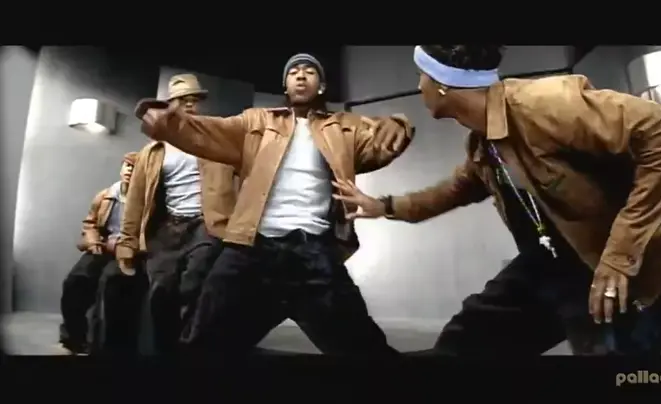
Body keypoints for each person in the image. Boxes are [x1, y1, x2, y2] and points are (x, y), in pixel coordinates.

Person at [332, 45, 661, 356]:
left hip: (632, 262)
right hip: (553, 258)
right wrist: (384, 206)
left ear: (443, 84)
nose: (418, 86)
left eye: (421, 76)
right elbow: (454, 190)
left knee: (614, 358)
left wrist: (619, 259)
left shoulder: (542, 104)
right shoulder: (484, 143)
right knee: (466, 340)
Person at [134, 53, 414, 358]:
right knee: (202, 347)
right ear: (285, 84)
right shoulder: (256, 120)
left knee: (366, 351)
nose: (301, 75)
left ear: (321, 85)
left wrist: (398, 125)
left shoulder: (344, 126)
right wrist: (166, 122)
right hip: (251, 248)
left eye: (309, 71)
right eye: (294, 72)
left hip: (314, 251)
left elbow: (379, 142)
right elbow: (208, 131)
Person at [116, 73, 237, 356]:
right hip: (168, 228)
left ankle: (193, 354)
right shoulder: (153, 151)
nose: (190, 105)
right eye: (183, 100)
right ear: (170, 105)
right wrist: (127, 242)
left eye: (194, 100)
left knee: (195, 282)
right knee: (161, 291)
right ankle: (165, 355)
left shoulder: (216, 141)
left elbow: (247, 178)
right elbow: (136, 200)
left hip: (206, 224)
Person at [59, 152, 140, 355]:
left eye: (135, 168)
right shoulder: (106, 195)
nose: (130, 171)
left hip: (127, 251)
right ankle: (74, 337)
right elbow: (90, 223)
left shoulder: (146, 200)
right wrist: (93, 241)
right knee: (75, 280)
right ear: (121, 168)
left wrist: (128, 247)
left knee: (110, 283)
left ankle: (105, 347)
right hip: (102, 247)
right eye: (127, 166)